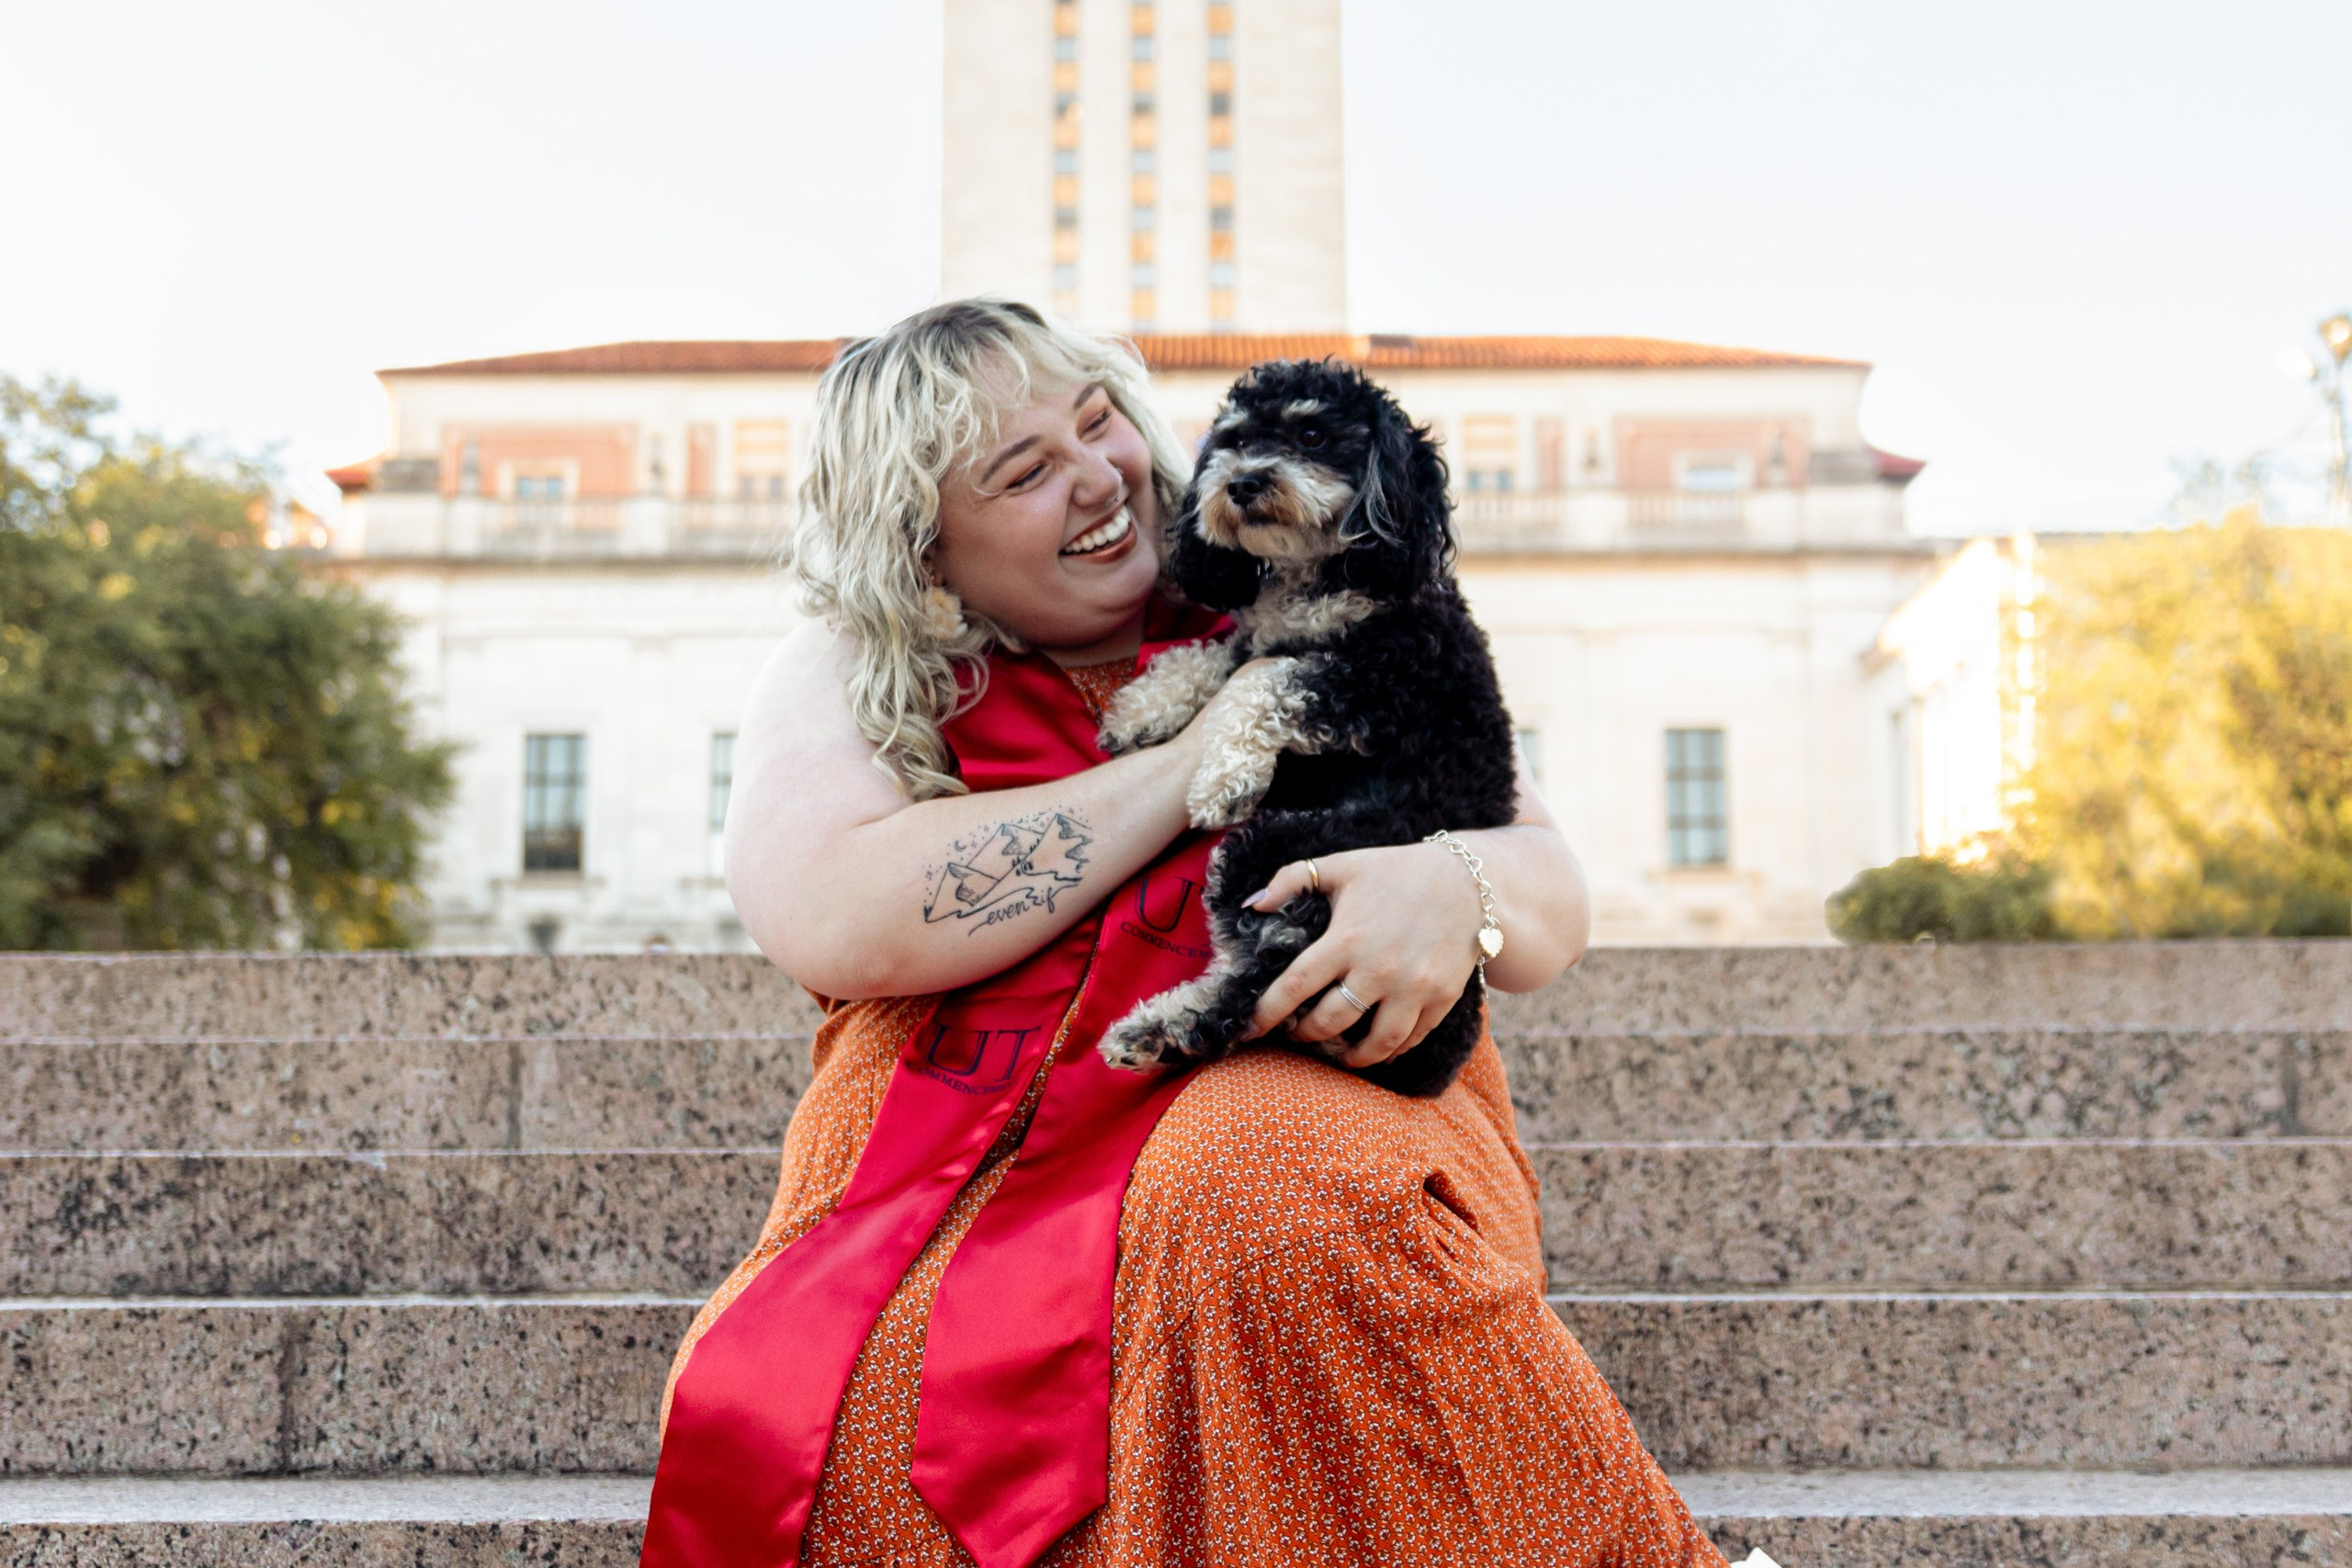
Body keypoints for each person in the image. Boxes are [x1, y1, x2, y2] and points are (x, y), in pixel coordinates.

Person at [644, 299, 1726, 1568]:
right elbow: (837, 914)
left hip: (1300, 1090)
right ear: (924, 552)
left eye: (1097, 422)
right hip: (952, 1150)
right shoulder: (856, 669)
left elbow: (1548, 901)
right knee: (851, 1396)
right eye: (1024, 472)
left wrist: (1457, 885)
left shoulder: (1330, 584)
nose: (1099, 477)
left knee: (1254, 1190)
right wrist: (1194, 761)